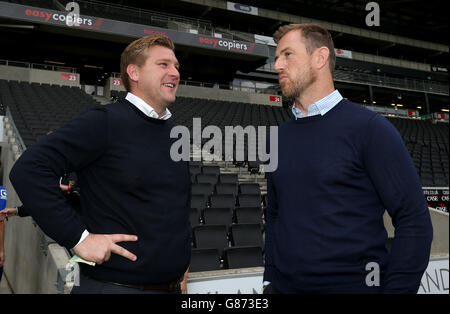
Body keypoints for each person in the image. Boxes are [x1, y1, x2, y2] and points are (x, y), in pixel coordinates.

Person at [9, 35, 191, 294]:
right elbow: (29, 170)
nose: (175, 72)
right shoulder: (104, 122)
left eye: (176, 66)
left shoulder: (175, 133)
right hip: (113, 287)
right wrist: (78, 238)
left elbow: (172, 206)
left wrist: (179, 267)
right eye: (163, 64)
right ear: (134, 72)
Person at [263, 24, 433, 294]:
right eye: (277, 57)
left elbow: (414, 220)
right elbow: (274, 216)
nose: (277, 66)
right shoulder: (275, 140)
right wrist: (269, 278)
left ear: (320, 58)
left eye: (287, 55)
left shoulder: (370, 129)